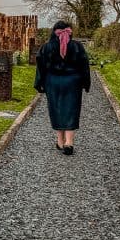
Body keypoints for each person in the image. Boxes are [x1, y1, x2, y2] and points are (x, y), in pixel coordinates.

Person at [34, 21, 91, 155]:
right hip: (73, 82)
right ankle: (69, 142)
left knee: (56, 109)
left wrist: (39, 84)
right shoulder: (77, 46)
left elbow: (40, 66)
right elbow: (84, 65)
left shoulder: (46, 47)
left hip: (53, 82)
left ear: (54, 31)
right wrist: (86, 83)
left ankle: (60, 141)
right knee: (72, 110)